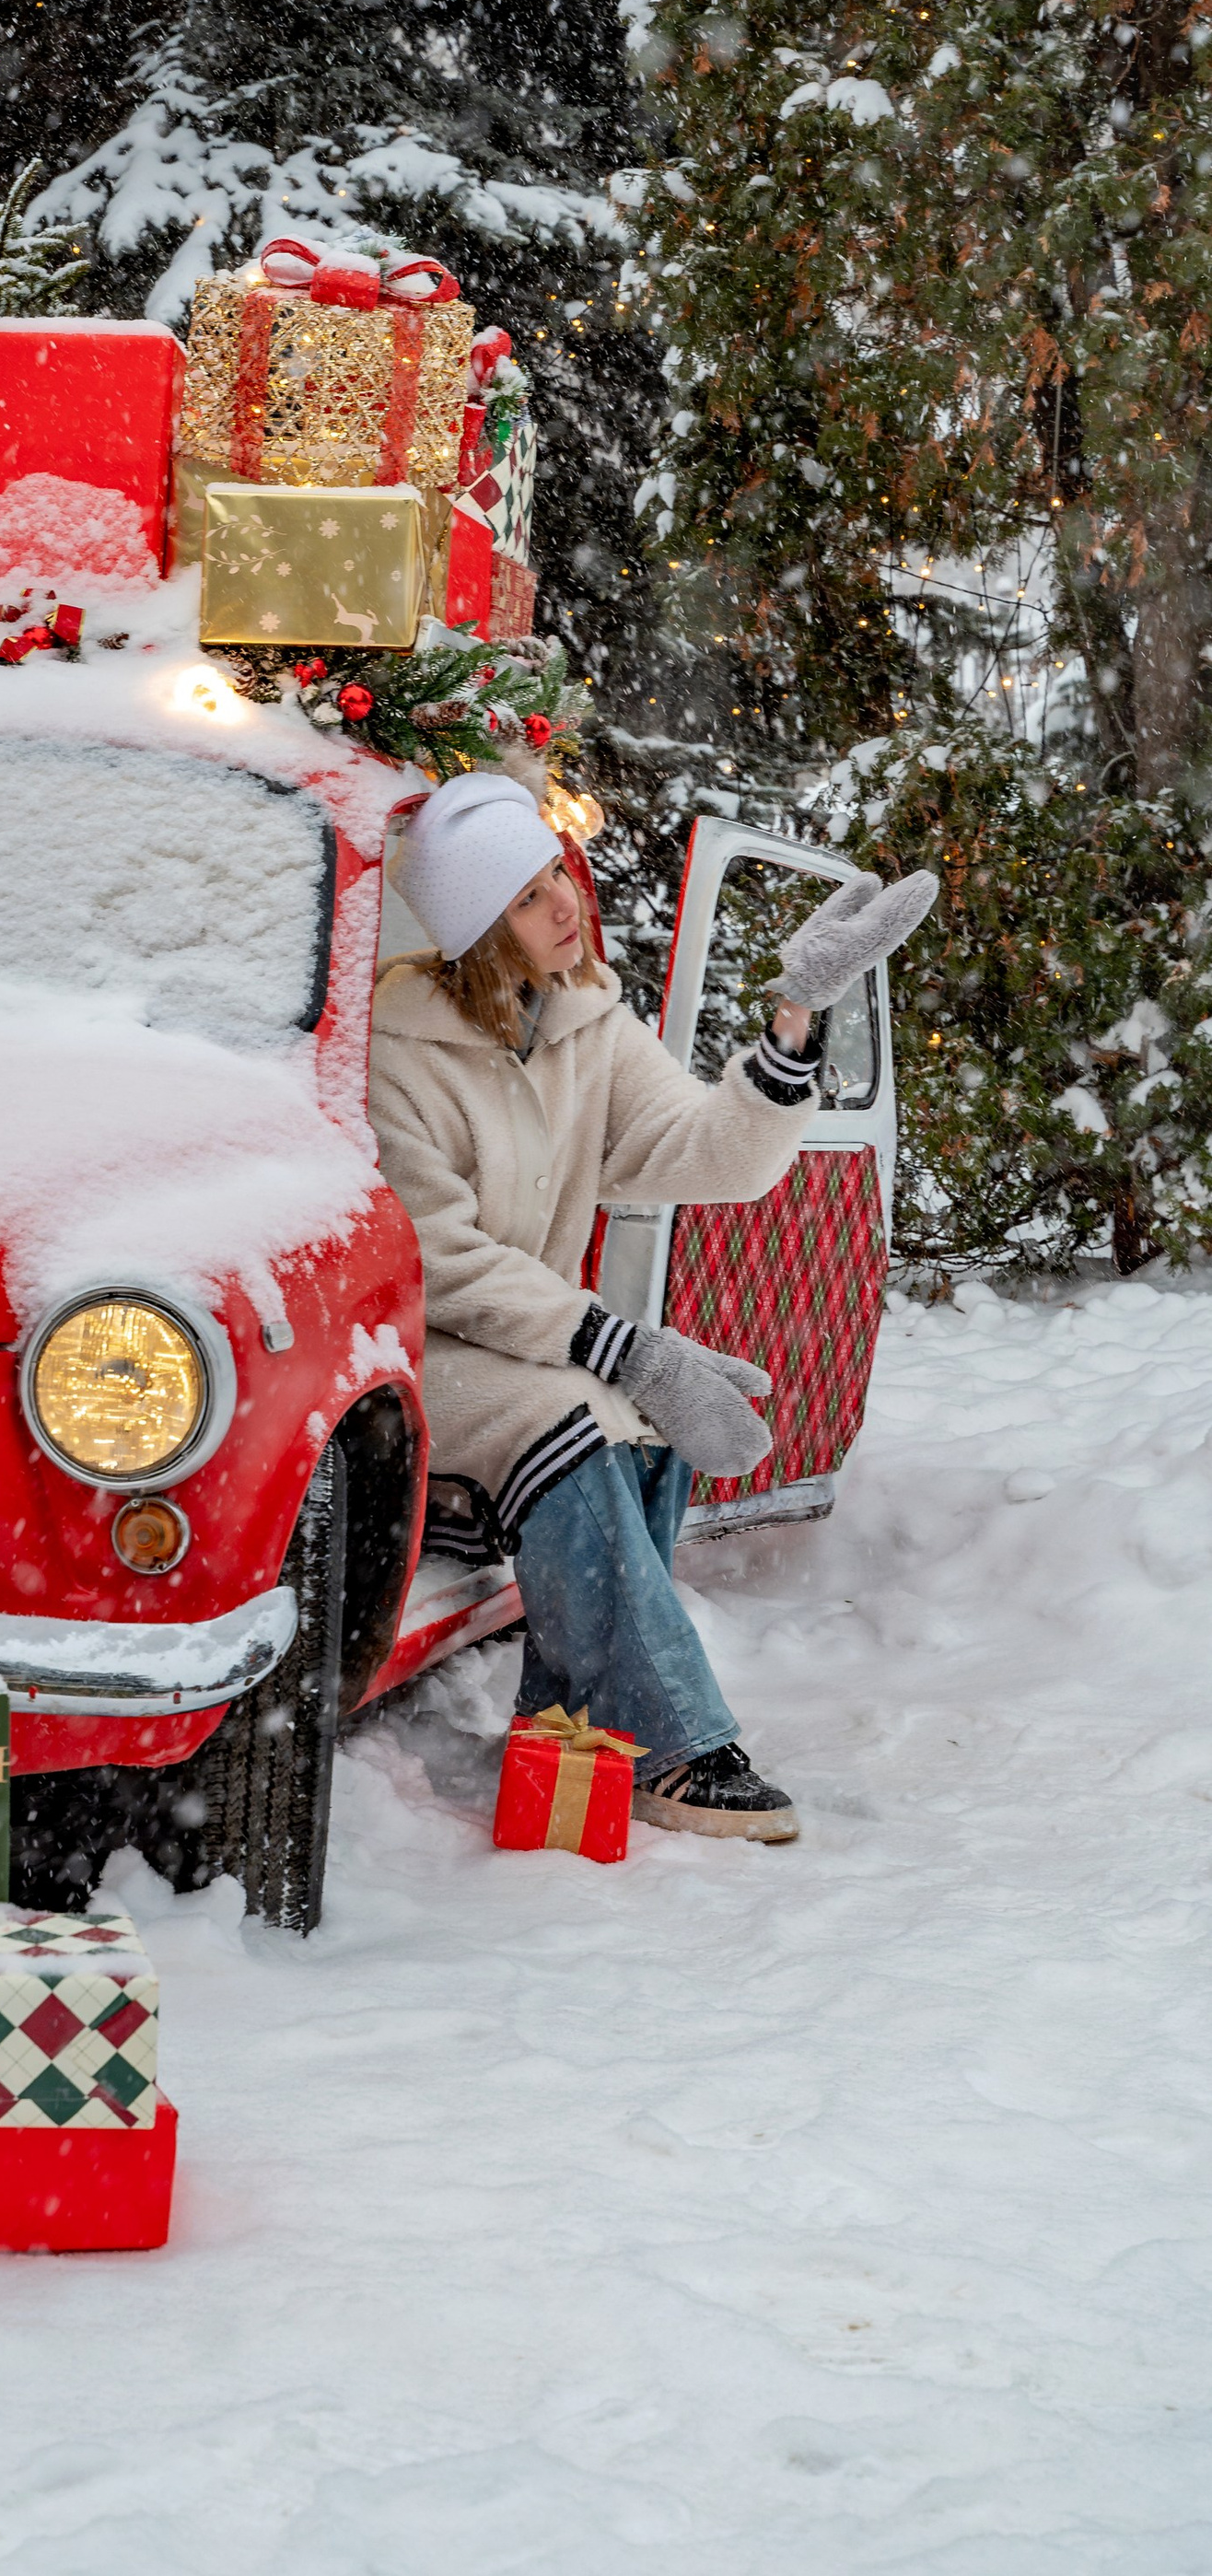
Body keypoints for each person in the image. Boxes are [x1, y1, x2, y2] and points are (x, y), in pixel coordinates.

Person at [367, 770, 936, 1841]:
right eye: (532, 894)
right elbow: (436, 1258)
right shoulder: (398, 1053)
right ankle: (672, 1745)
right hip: (419, 1348)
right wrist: (617, 1343)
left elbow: (706, 1153)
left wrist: (795, 1014)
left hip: (528, 1339)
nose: (564, 904)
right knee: (569, 1421)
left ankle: (578, 1722)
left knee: (647, 1419)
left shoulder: (585, 1020)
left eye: (556, 878)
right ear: (483, 928)